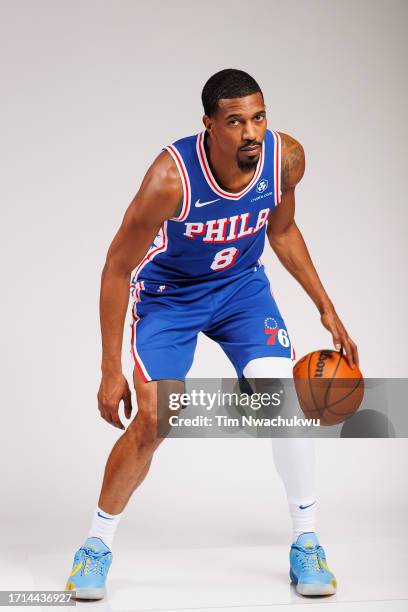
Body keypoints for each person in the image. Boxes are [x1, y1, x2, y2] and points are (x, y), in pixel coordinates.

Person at [65, 69, 359, 600]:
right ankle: (95, 546)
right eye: (235, 122)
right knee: (156, 418)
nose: (251, 132)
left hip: (241, 292)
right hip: (170, 298)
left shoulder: (283, 158)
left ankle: (306, 542)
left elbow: (283, 229)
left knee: (283, 402)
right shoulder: (170, 179)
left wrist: (326, 307)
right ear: (209, 126)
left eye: (259, 117)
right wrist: (110, 370)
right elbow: (115, 268)